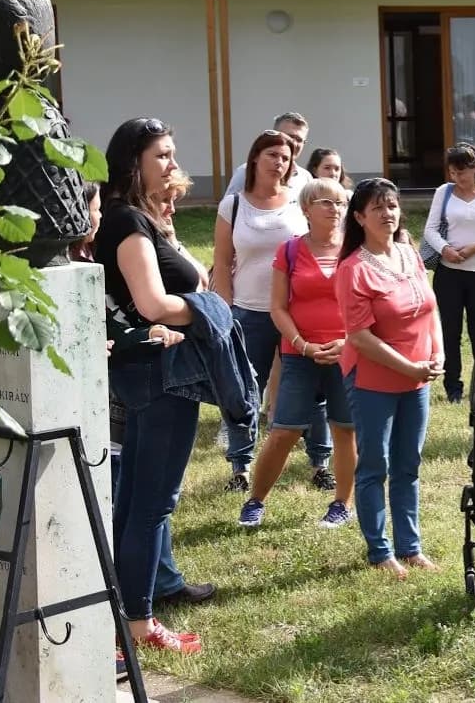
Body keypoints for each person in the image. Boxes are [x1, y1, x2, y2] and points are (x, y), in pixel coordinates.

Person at [96, 117, 210, 653]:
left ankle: (122, 618)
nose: (171, 163)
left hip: (154, 373)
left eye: (171, 153)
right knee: (151, 504)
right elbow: (152, 305)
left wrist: (168, 227)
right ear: (133, 161)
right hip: (161, 377)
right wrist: (209, 309)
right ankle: (139, 625)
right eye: (161, 155)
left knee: (136, 502)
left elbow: (185, 277)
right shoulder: (126, 223)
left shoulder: (140, 220)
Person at [335, 178, 446, 580]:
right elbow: (360, 338)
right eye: (378, 207)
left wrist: (438, 352)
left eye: (393, 205)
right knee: (375, 466)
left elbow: (429, 308)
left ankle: (411, 547)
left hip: (419, 377)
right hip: (373, 380)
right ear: (360, 217)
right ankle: (380, 551)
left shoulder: (408, 253)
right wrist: (410, 367)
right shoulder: (352, 269)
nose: (388, 213)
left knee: (408, 464)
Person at [213, 131, 331, 493]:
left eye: (286, 157)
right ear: (255, 160)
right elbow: (222, 263)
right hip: (248, 313)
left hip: (297, 314)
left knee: (312, 389)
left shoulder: (299, 204)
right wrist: (227, 312)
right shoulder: (233, 205)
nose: (280, 162)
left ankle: (320, 463)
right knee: (245, 390)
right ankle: (240, 466)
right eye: (273, 155)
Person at [237, 179, 359, 530]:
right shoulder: (288, 251)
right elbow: (277, 307)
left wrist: (347, 342)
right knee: (284, 431)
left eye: (340, 203)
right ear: (305, 209)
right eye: (326, 202)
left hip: (346, 354)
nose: (335, 209)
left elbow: (368, 307)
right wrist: (302, 344)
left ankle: (341, 504)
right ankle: (255, 501)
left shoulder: (354, 251)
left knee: (345, 429)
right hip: (298, 353)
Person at [421, 142, 475, 404]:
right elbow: (430, 229)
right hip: (448, 273)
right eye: (452, 172)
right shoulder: (444, 192)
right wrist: (445, 249)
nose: (456, 178)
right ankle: (453, 387)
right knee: (450, 331)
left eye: (461, 172)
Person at [223, 112, 312, 199]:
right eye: (289, 137)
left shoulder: (305, 178)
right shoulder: (246, 172)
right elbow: (229, 210)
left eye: (299, 140)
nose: (294, 143)